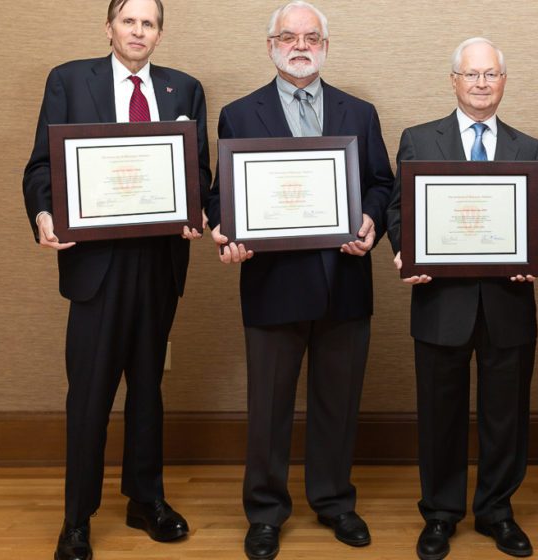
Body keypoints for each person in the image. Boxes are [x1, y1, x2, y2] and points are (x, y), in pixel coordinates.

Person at [22, 1, 212, 559]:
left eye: (148, 22)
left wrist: (194, 208)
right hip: (96, 263)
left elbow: (197, 170)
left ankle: (144, 500)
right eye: (128, 20)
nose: (138, 30)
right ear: (110, 29)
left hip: (158, 259)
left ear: (159, 34)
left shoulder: (186, 89)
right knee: (90, 392)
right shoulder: (68, 80)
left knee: (148, 387)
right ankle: (76, 520)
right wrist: (43, 214)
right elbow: (41, 166)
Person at [203, 2, 394, 559]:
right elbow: (222, 195)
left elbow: (382, 184)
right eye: (288, 36)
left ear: (326, 47)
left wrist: (372, 220)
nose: (300, 44)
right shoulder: (239, 114)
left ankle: (334, 501)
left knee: (338, 402)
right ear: (270, 46)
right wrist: (225, 229)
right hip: (272, 282)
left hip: (345, 277)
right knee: (268, 407)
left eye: (311, 36)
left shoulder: (359, 112)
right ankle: (265, 512)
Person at [386, 38, 538, 560]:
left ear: (504, 82)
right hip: (441, 303)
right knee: (440, 415)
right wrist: (403, 250)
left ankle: (497, 511)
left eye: (492, 74)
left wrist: (534, 251)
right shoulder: (418, 139)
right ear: (453, 80)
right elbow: (397, 211)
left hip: (508, 303)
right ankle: (439, 513)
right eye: (472, 74)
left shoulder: (529, 147)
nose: (482, 83)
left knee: (506, 417)